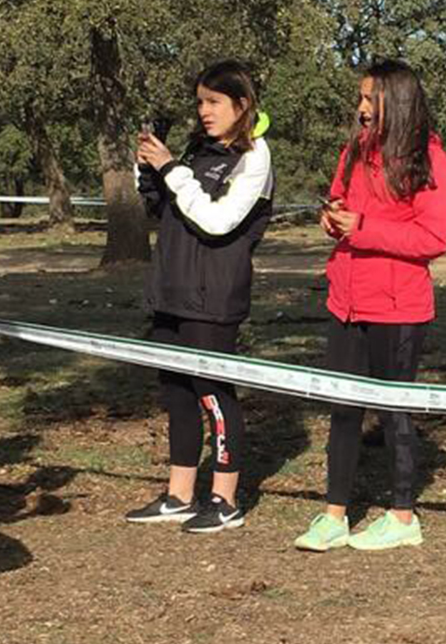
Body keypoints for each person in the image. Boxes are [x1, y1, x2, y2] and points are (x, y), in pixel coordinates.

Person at [294, 59, 446, 552]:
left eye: (371, 99)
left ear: (398, 101)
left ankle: (402, 517)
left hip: (399, 308)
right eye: (360, 99)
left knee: (394, 414)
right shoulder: (354, 152)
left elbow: (432, 237)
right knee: (343, 409)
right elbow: (341, 201)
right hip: (345, 302)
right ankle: (333, 516)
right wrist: (334, 219)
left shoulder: (430, 162)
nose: (361, 109)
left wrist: (362, 228)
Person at [128, 60, 274, 533]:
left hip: (214, 295)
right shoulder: (195, 151)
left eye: (213, 102)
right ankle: (179, 494)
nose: (204, 111)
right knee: (176, 394)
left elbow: (217, 220)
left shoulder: (255, 157)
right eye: (199, 102)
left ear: (242, 104)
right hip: (170, 289)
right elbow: (164, 207)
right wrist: (148, 168)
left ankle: (225, 499)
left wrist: (170, 168)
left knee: (212, 393)